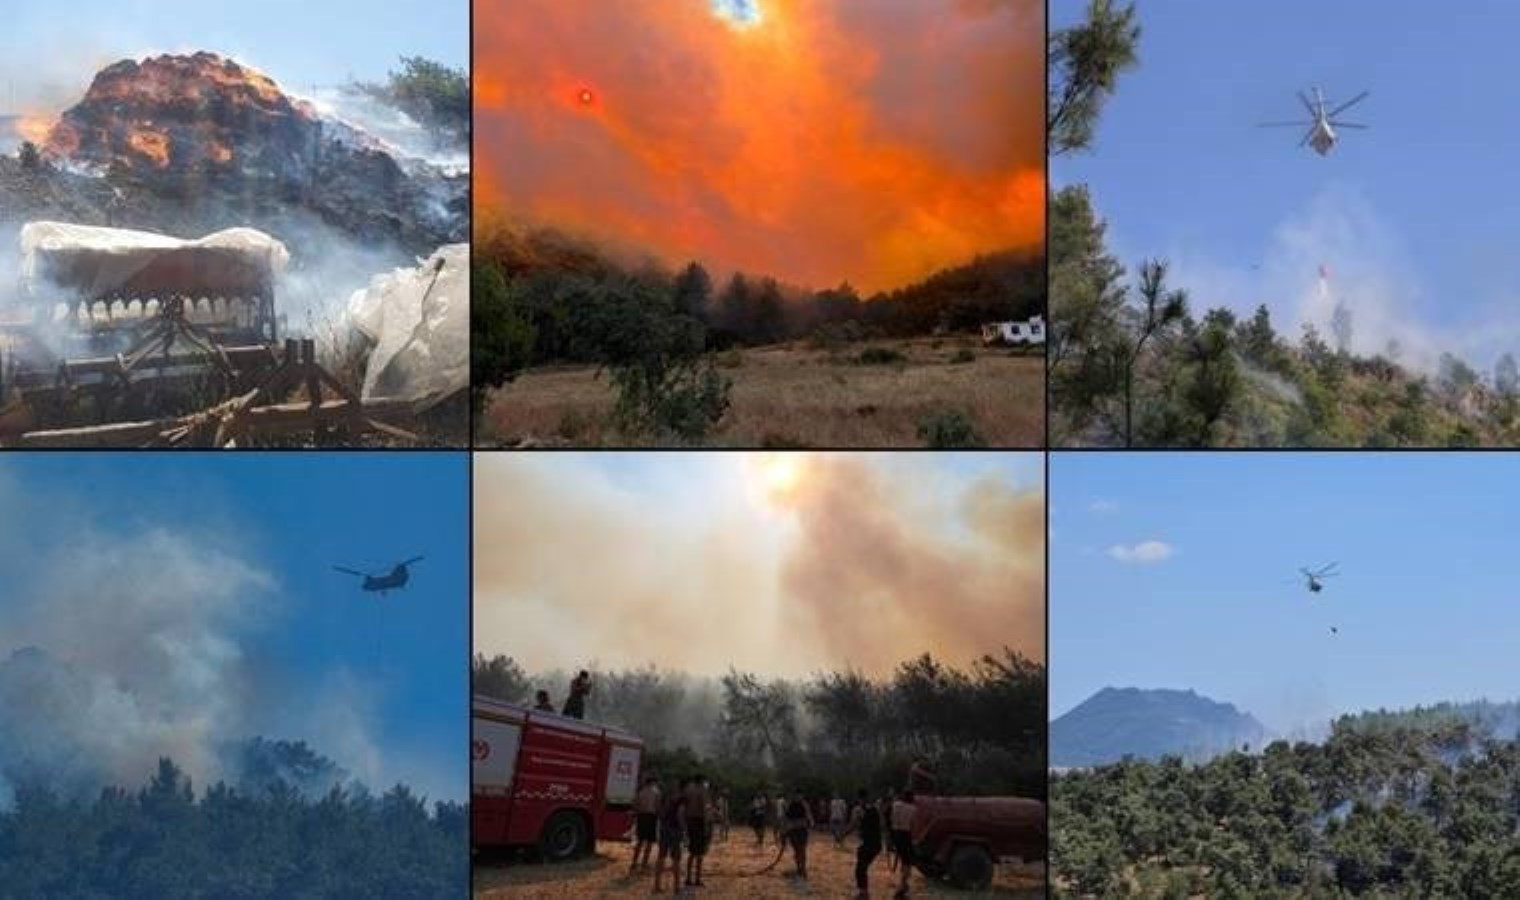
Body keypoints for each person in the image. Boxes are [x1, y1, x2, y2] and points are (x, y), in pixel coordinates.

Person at [847, 789, 884, 898]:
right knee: (862, 868)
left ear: (859, 798)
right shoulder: (875, 808)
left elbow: (853, 825)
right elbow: (882, 825)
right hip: (877, 844)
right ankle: (864, 892)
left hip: (867, 844)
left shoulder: (858, 809)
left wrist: (842, 835)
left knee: (860, 869)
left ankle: (864, 893)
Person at [653, 779, 688, 894]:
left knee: (661, 857)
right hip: (675, 830)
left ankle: (657, 886)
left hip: (664, 828)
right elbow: (680, 814)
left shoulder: (667, 796)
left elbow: (659, 811)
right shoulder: (682, 799)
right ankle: (676, 888)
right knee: (676, 859)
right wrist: (684, 829)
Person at [630, 775, 661, 873]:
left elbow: (635, 805)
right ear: (653, 782)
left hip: (641, 817)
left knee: (640, 841)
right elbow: (658, 806)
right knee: (649, 842)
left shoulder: (640, 792)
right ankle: (644, 864)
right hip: (651, 817)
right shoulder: (656, 792)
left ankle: (634, 862)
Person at [684, 774, 711, 887]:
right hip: (699, 821)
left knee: (692, 851)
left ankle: (688, 878)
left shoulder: (688, 790)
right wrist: (706, 825)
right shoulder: (703, 791)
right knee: (700, 852)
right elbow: (704, 809)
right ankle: (697, 879)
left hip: (690, 821)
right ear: (702, 781)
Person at [890, 790, 917, 897]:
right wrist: (914, 839)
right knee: (907, 861)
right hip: (905, 834)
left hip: (895, 833)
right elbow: (912, 825)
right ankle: (902, 885)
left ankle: (904, 884)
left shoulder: (896, 805)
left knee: (903, 859)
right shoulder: (913, 809)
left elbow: (891, 818)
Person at [784, 791, 814, 879]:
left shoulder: (805, 805)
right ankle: (799, 868)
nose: (798, 797)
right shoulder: (790, 805)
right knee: (797, 850)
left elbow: (809, 816)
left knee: (802, 849)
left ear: (802, 796)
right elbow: (786, 818)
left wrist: (811, 823)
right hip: (793, 830)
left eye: (799, 795)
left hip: (802, 830)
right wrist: (784, 830)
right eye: (796, 795)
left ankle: (803, 868)